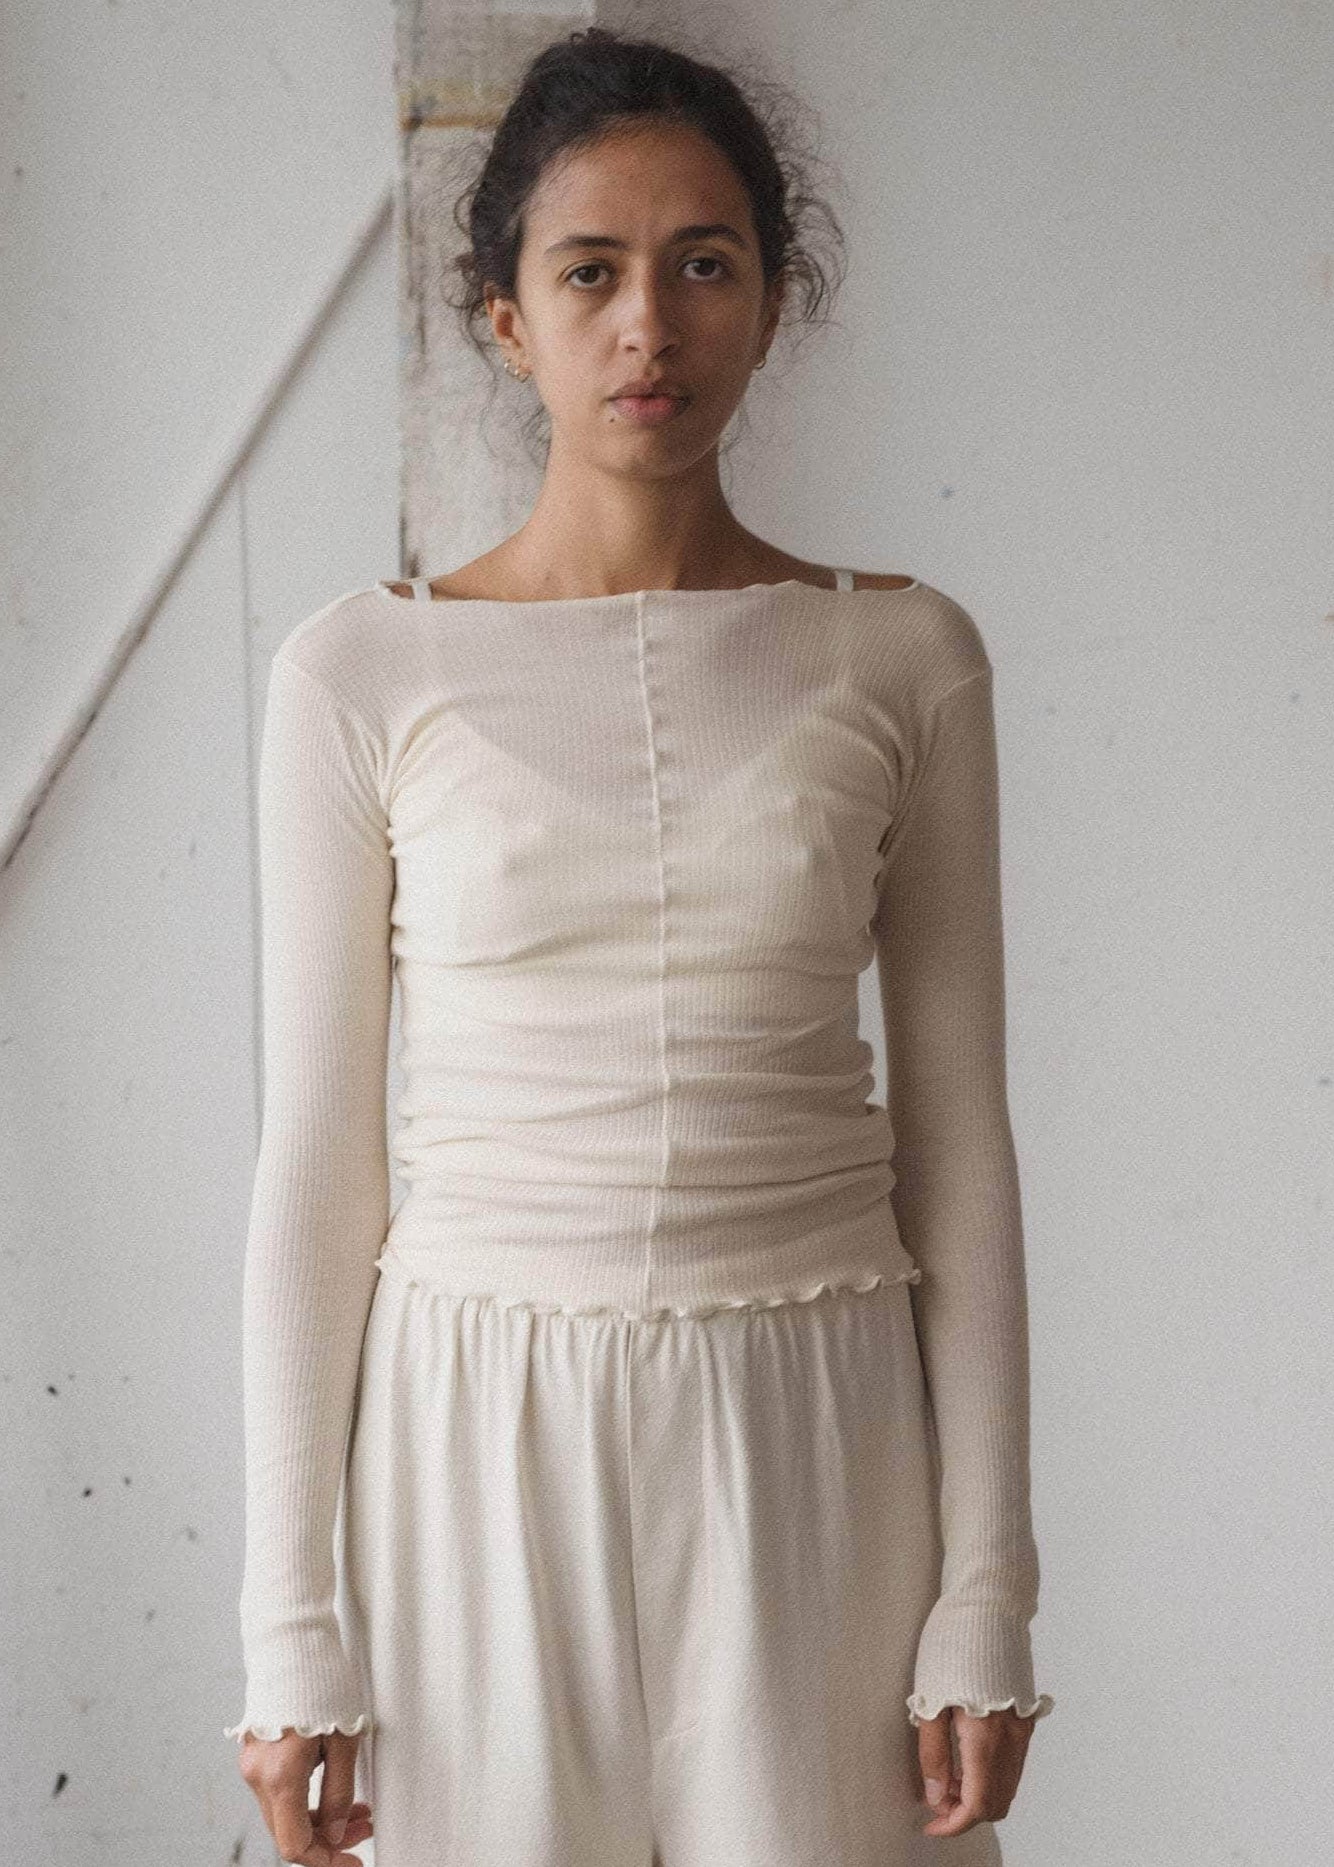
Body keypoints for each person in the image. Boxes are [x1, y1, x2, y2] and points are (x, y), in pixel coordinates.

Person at [222, 24, 1054, 1866]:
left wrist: (985, 1587)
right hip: (471, 1433)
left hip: (815, 1422)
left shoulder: (903, 659)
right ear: (505, 317)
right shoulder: (360, 673)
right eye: (589, 272)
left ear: (771, 299)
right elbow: (319, 1163)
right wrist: (292, 1629)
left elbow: (959, 1145)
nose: (647, 327)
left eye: (703, 264)